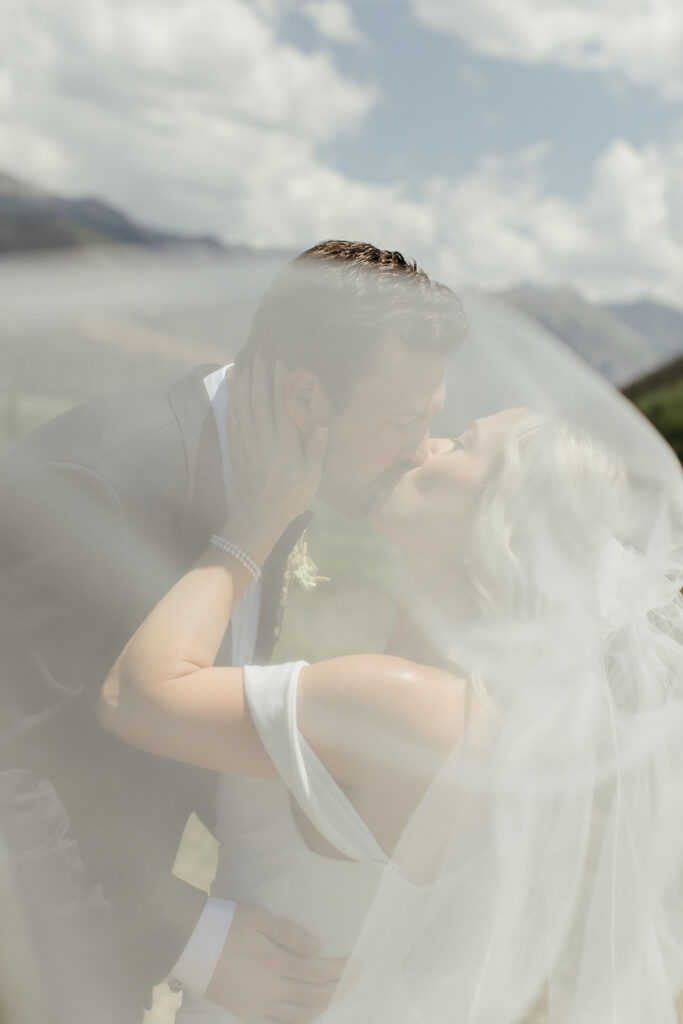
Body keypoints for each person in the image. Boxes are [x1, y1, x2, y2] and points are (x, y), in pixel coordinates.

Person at [98, 354, 683, 1024]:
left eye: (459, 445)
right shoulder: (494, 719)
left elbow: (134, 696)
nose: (423, 446)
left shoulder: (401, 702)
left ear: (497, 521)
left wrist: (254, 523)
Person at [0, 241, 465, 1023]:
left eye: (431, 420)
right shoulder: (101, 485)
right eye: (401, 421)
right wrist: (192, 937)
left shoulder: (277, 484)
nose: (419, 449)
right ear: (308, 400)